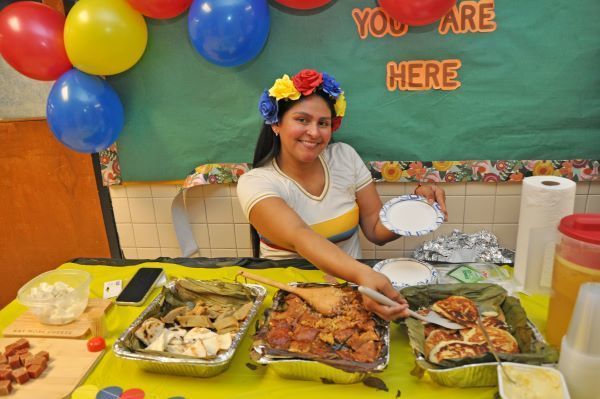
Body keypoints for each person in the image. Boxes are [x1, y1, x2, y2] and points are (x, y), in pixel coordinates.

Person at [237, 69, 447, 321]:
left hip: (354, 295)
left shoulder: (345, 157)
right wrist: (363, 275)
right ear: (276, 124)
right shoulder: (256, 183)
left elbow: (375, 229)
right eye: (302, 120)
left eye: (323, 123)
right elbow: (300, 236)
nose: (314, 132)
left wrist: (418, 207)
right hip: (289, 301)